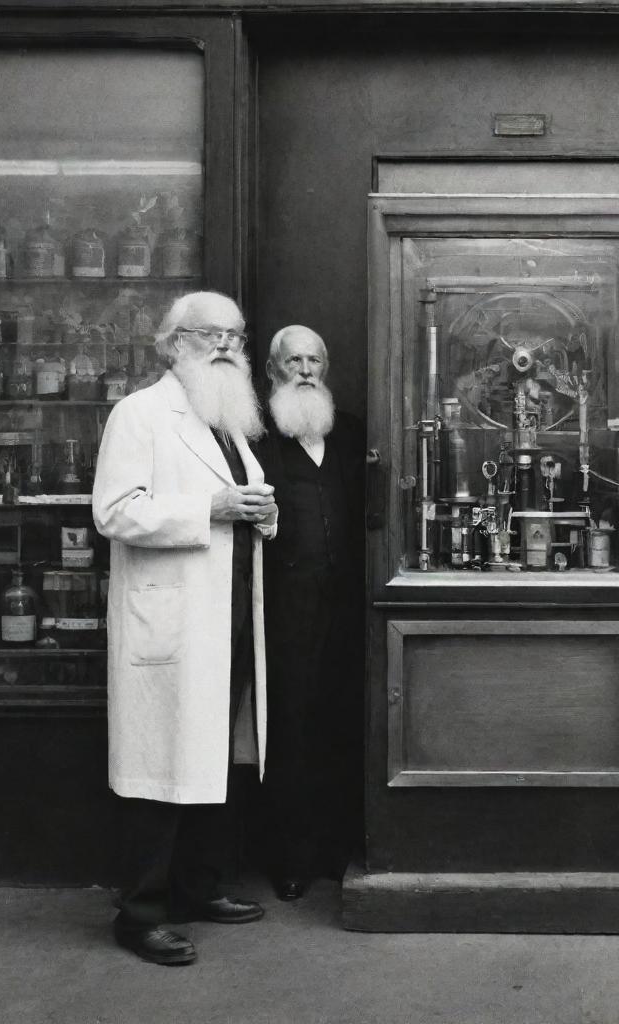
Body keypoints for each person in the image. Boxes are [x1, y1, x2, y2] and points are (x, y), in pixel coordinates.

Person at [93, 291, 277, 966]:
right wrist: (217, 506)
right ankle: (140, 915)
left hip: (226, 614)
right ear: (174, 344)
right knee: (158, 769)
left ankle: (198, 890)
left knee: (215, 761)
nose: (227, 345)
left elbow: (245, 504)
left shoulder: (229, 420)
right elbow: (115, 512)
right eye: (210, 334)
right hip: (171, 620)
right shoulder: (140, 414)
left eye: (236, 334)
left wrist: (260, 511)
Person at [254, 324, 365, 900]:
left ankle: (333, 849)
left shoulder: (348, 433)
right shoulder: (255, 439)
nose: (304, 370)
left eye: (314, 360)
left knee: (340, 719)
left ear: (326, 369)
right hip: (283, 604)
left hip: (346, 603)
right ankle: (292, 857)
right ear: (273, 370)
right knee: (290, 726)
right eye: (293, 360)